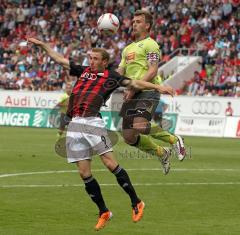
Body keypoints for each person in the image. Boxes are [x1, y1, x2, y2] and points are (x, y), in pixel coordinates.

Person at [28, 37, 174, 231]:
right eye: (90, 58)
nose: (91, 61)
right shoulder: (82, 71)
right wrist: (42, 45)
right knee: (84, 173)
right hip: (75, 124)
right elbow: (60, 59)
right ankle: (104, 211)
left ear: (104, 62)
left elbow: (136, 83)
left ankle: (136, 202)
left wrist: (158, 87)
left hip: (92, 123)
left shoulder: (111, 77)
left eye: (95, 59)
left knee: (110, 163)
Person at [117, 10, 186, 174]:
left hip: (148, 89)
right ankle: (161, 153)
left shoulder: (151, 44)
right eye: (133, 21)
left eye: (138, 21)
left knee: (140, 125)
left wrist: (134, 88)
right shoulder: (127, 49)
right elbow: (119, 72)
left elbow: (153, 70)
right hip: (132, 93)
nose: (134, 24)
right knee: (128, 136)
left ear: (147, 25)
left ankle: (174, 140)